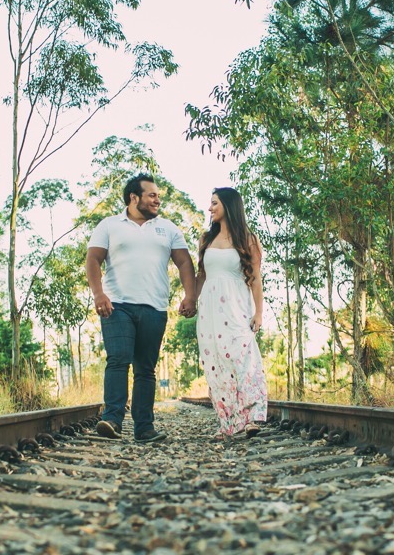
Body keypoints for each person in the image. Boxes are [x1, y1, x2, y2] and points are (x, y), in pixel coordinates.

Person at [86, 173, 197, 442]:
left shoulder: (168, 228)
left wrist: (190, 295)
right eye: (152, 195)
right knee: (118, 359)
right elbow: (93, 259)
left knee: (145, 369)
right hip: (117, 305)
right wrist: (99, 294)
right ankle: (112, 419)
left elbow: (184, 262)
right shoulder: (109, 225)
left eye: (158, 195)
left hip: (154, 307)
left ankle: (144, 428)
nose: (157, 200)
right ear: (134, 197)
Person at [196, 187, 267, 439]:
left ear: (229, 205)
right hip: (209, 312)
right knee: (216, 363)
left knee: (243, 358)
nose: (210, 208)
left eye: (214, 203)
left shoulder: (248, 239)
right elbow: (201, 276)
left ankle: (251, 417)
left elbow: (255, 279)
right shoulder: (206, 239)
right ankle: (227, 422)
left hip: (237, 308)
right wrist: (190, 300)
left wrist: (259, 313)